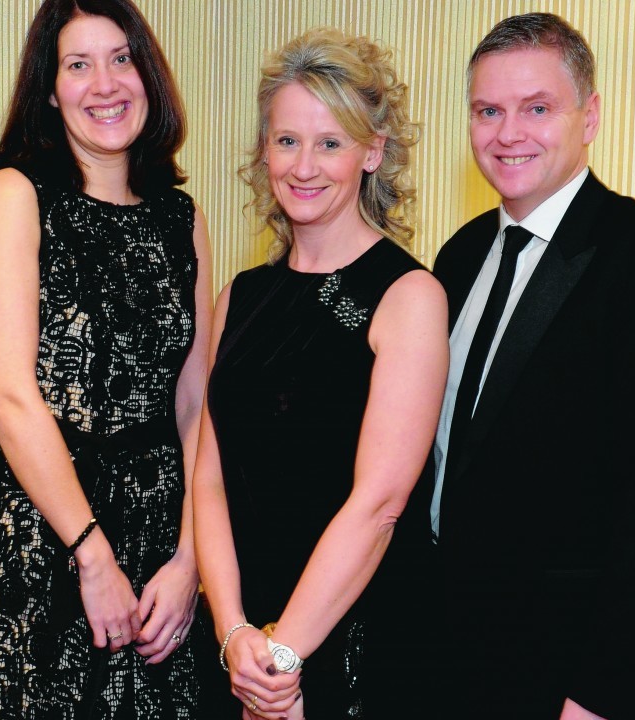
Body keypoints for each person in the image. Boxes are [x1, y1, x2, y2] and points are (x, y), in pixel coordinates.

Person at [426, 12, 635, 719]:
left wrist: (598, 692)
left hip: (587, 674)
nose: (509, 132)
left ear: (588, 116)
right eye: (488, 111)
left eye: (537, 108)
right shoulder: (460, 256)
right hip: (466, 656)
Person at [0, 0, 212, 717]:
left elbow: (195, 403)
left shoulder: (183, 218)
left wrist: (190, 559)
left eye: (122, 59)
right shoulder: (15, 194)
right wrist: (91, 554)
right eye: (78, 65)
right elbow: (7, 394)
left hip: (161, 546)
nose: (105, 83)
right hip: (47, 536)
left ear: (148, 74)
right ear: (49, 89)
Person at [192, 27, 448, 720]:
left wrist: (283, 663)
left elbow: (379, 504)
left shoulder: (408, 297)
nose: (305, 166)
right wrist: (234, 634)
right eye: (286, 140)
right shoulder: (239, 298)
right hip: (236, 646)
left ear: (373, 152)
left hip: (352, 646)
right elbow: (208, 479)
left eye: (330, 142)